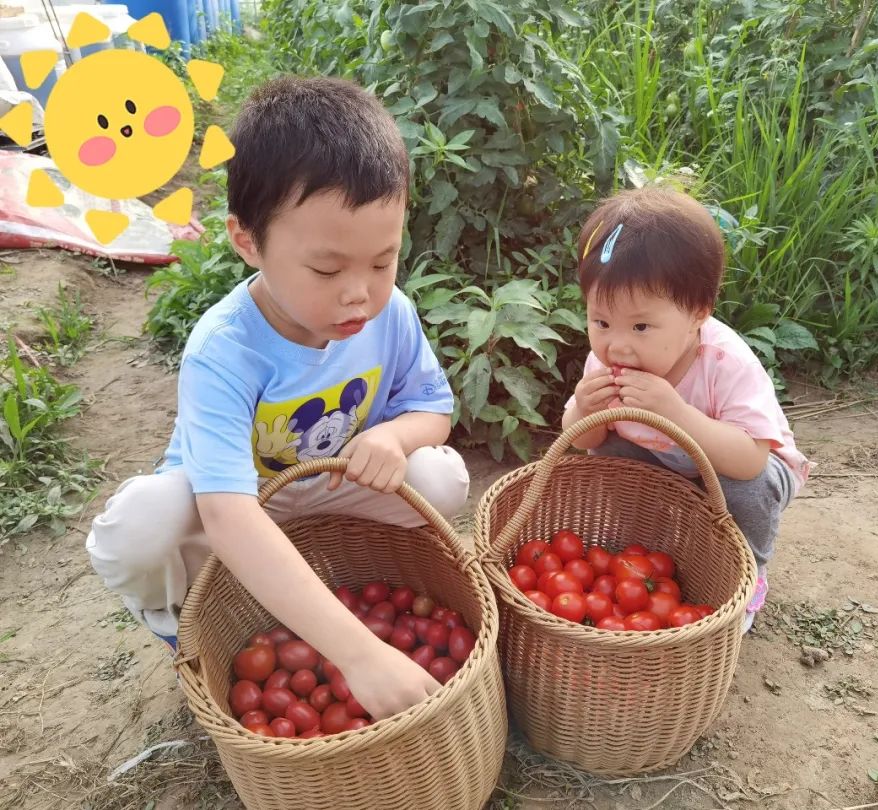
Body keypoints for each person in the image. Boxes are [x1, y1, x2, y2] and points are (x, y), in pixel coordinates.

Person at [85, 76, 470, 720]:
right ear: (247, 242)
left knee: (438, 475)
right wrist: (361, 654)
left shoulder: (391, 314)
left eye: (383, 261)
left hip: (329, 483)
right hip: (226, 500)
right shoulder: (224, 350)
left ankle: (340, 572)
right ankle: (188, 619)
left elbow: (435, 406)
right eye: (327, 269)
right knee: (138, 531)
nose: (360, 294)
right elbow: (230, 513)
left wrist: (393, 437)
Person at [562, 185, 811, 632]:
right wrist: (584, 407)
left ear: (698, 312)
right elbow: (583, 440)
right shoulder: (606, 359)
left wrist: (675, 411)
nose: (617, 344)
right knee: (611, 455)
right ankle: (645, 554)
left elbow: (751, 460)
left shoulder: (724, 362)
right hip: (666, 461)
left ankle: (747, 573)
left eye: (641, 326)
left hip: (740, 464)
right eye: (600, 321)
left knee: (745, 491)